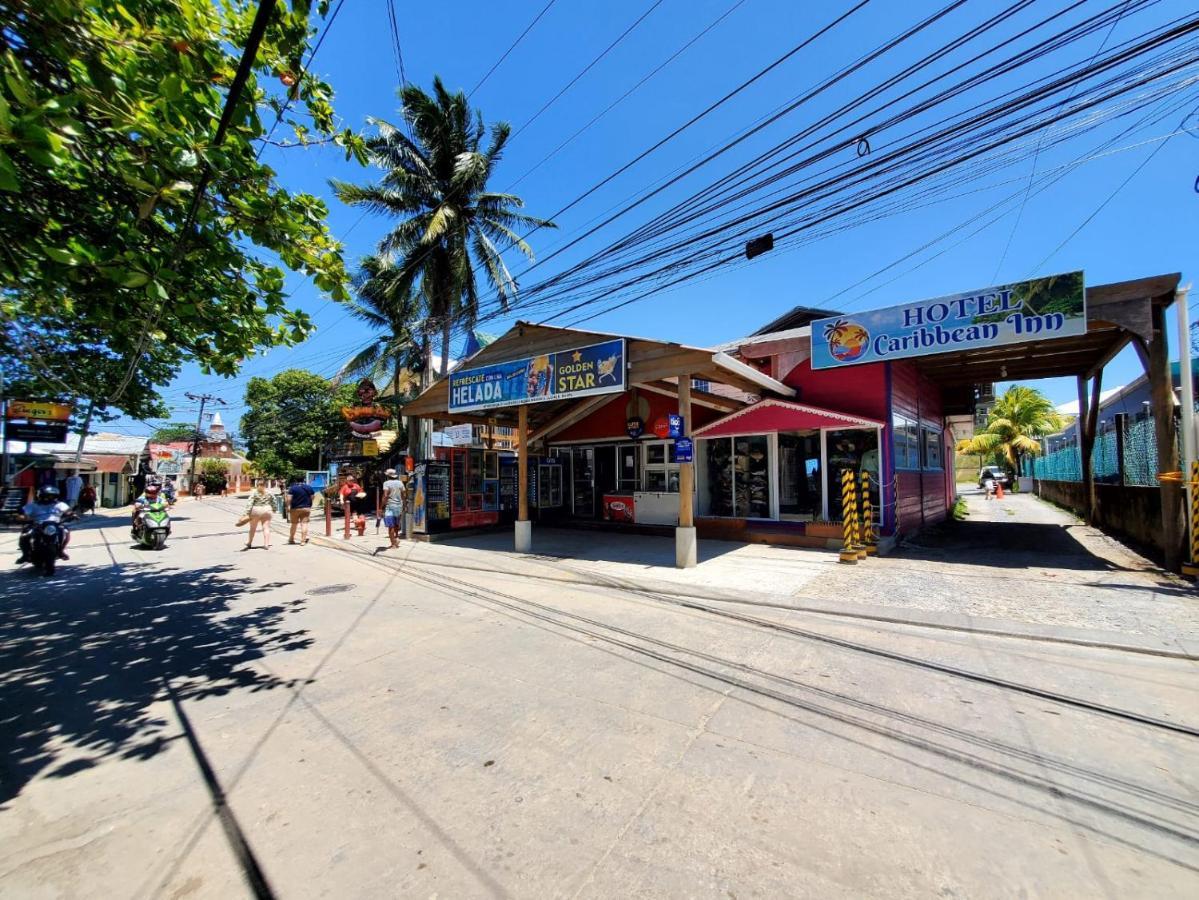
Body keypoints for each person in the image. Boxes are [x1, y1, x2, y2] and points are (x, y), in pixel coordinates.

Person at [17, 486, 73, 563]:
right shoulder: (33, 505)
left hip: (55, 524)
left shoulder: (60, 504)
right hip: (37, 524)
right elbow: (23, 513)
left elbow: (68, 511)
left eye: (51, 496)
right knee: (24, 535)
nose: (48, 497)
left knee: (66, 531)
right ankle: (25, 554)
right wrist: (21, 517)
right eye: (46, 495)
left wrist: (71, 514)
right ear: (40, 495)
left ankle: (61, 550)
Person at [242, 479, 275, 550]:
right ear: (265, 485)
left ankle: (249, 543)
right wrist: (274, 509)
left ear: (257, 485)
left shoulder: (254, 493)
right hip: (267, 509)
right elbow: (274, 501)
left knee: (252, 528)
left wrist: (246, 513)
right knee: (266, 527)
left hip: (256, 510)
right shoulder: (269, 492)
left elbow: (249, 503)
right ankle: (266, 544)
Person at [285, 474, 316, 545]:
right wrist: (309, 503)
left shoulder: (292, 488)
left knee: (294, 524)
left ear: (296, 480)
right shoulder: (308, 487)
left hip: (294, 508)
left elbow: (288, 499)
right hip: (306, 508)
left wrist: (288, 506)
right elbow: (313, 497)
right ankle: (303, 541)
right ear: (303, 480)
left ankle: (291, 539)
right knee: (304, 524)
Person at [381, 468, 407, 549]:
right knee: (396, 524)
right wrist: (404, 505)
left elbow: (385, 495)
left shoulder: (386, 483)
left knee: (391, 526)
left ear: (388, 476)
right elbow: (404, 495)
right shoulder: (400, 483)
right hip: (399, 506)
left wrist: (382, 507)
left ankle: (393, 544)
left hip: (390, 506)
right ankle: (396, 538)